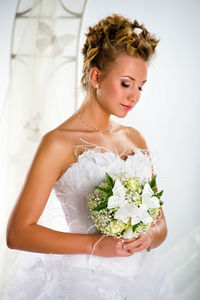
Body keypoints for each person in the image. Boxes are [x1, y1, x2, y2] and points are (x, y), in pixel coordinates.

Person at [3, 13, 177, 300]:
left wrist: (148, 238)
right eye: (126, 83)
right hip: (84, 283)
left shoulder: (135, 139)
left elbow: (161, 224)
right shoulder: (57, 143)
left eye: (141, 86)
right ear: (96, 76)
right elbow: (18, 233)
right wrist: (95, 246)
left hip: (142, 280)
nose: (135, 96)